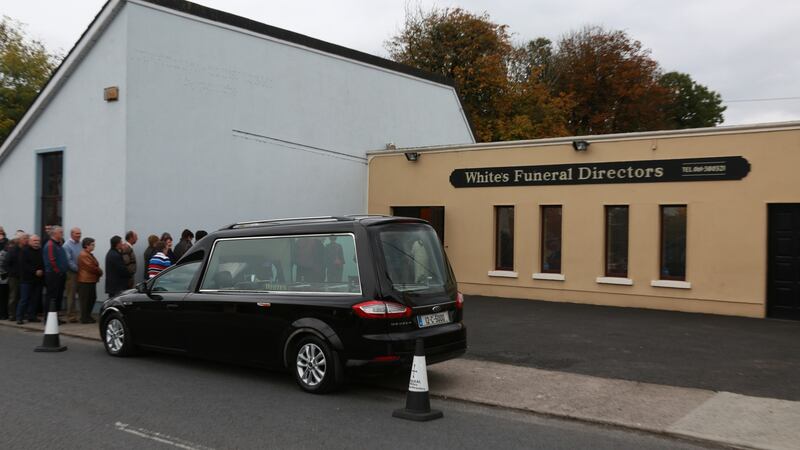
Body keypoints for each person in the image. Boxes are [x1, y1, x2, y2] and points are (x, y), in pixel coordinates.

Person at [17, 235, 44, 324]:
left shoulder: (41, 250)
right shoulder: (24, 251)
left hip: (38, 279)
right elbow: (23, 265)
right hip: (26, 279)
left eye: (38, 241)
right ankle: (19, 317)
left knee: (35, 299)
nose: (36, 242)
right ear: (29, 241)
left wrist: (41, 270)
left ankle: (32, 316)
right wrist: (35, 271)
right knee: (24, 299)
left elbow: (43, 262)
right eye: (34, 240)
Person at [42, 226, 67, 322]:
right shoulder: (50, 245)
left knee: (58, 297)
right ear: (54, 234)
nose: (62, 234)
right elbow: (52, 260)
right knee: (52, 297)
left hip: (59, 274)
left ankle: (55, 318)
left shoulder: (58, 244)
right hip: (53, 275)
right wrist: (58, 272)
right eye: (60, 232)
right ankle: (48, 319)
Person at [77, 237, 102, 324]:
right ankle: (84, 318)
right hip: (85, 281)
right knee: (85, 300)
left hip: (90, 280)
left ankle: (87, 316)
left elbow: (93, 266)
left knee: (91, 298)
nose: (94, 246)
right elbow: (91, 267)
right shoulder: (83, 255)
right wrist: (100, 271)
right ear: (86, 245)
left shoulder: (88, 254)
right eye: (92, 245)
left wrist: (98, 270)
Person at [5, 233, 28, 321]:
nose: (26, 240)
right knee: (13, 296)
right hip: (14, 277)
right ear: (20, 240)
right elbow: (6, 263)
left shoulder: (26, 249)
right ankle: (12, 314)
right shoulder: (13, 250)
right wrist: (12, 273)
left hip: (23, 276)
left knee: (22, 296)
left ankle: (21, 313)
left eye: (27, 238)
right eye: (25, 238)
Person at [63, 227, 82, 323]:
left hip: (80, 272)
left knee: (81, 293)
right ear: (72, 234)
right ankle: (71, 316)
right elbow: (68, 261)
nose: (79, 235)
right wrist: (77, 269)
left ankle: (80, 314)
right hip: (71, 273)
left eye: (80, 233)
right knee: (71, 294)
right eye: (77, 234)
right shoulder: (67, 245)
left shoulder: (80, 244)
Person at [0, 239, 9, 320]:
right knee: (3, 298)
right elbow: (2, 266)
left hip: (4, 278)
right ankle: (3, 314)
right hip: (3, 279)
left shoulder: (5, 253)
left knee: (4, 297)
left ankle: (4, 314)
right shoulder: (3, 253)